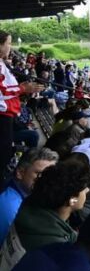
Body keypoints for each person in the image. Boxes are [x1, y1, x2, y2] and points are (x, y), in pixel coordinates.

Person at [0, 31, 44, 179]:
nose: (10, 47)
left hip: (7, 117)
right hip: (2, 117)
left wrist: (21, 87)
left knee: (5, 156)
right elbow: (2, 91)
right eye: (8, 43)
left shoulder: (2, 63)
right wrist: (23, 88)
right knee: (3, 158)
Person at [0, 148, 58, 243]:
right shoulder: (11, 208)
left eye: (51, 176)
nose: (47, 180)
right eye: (40, 174)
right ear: (20, 173)